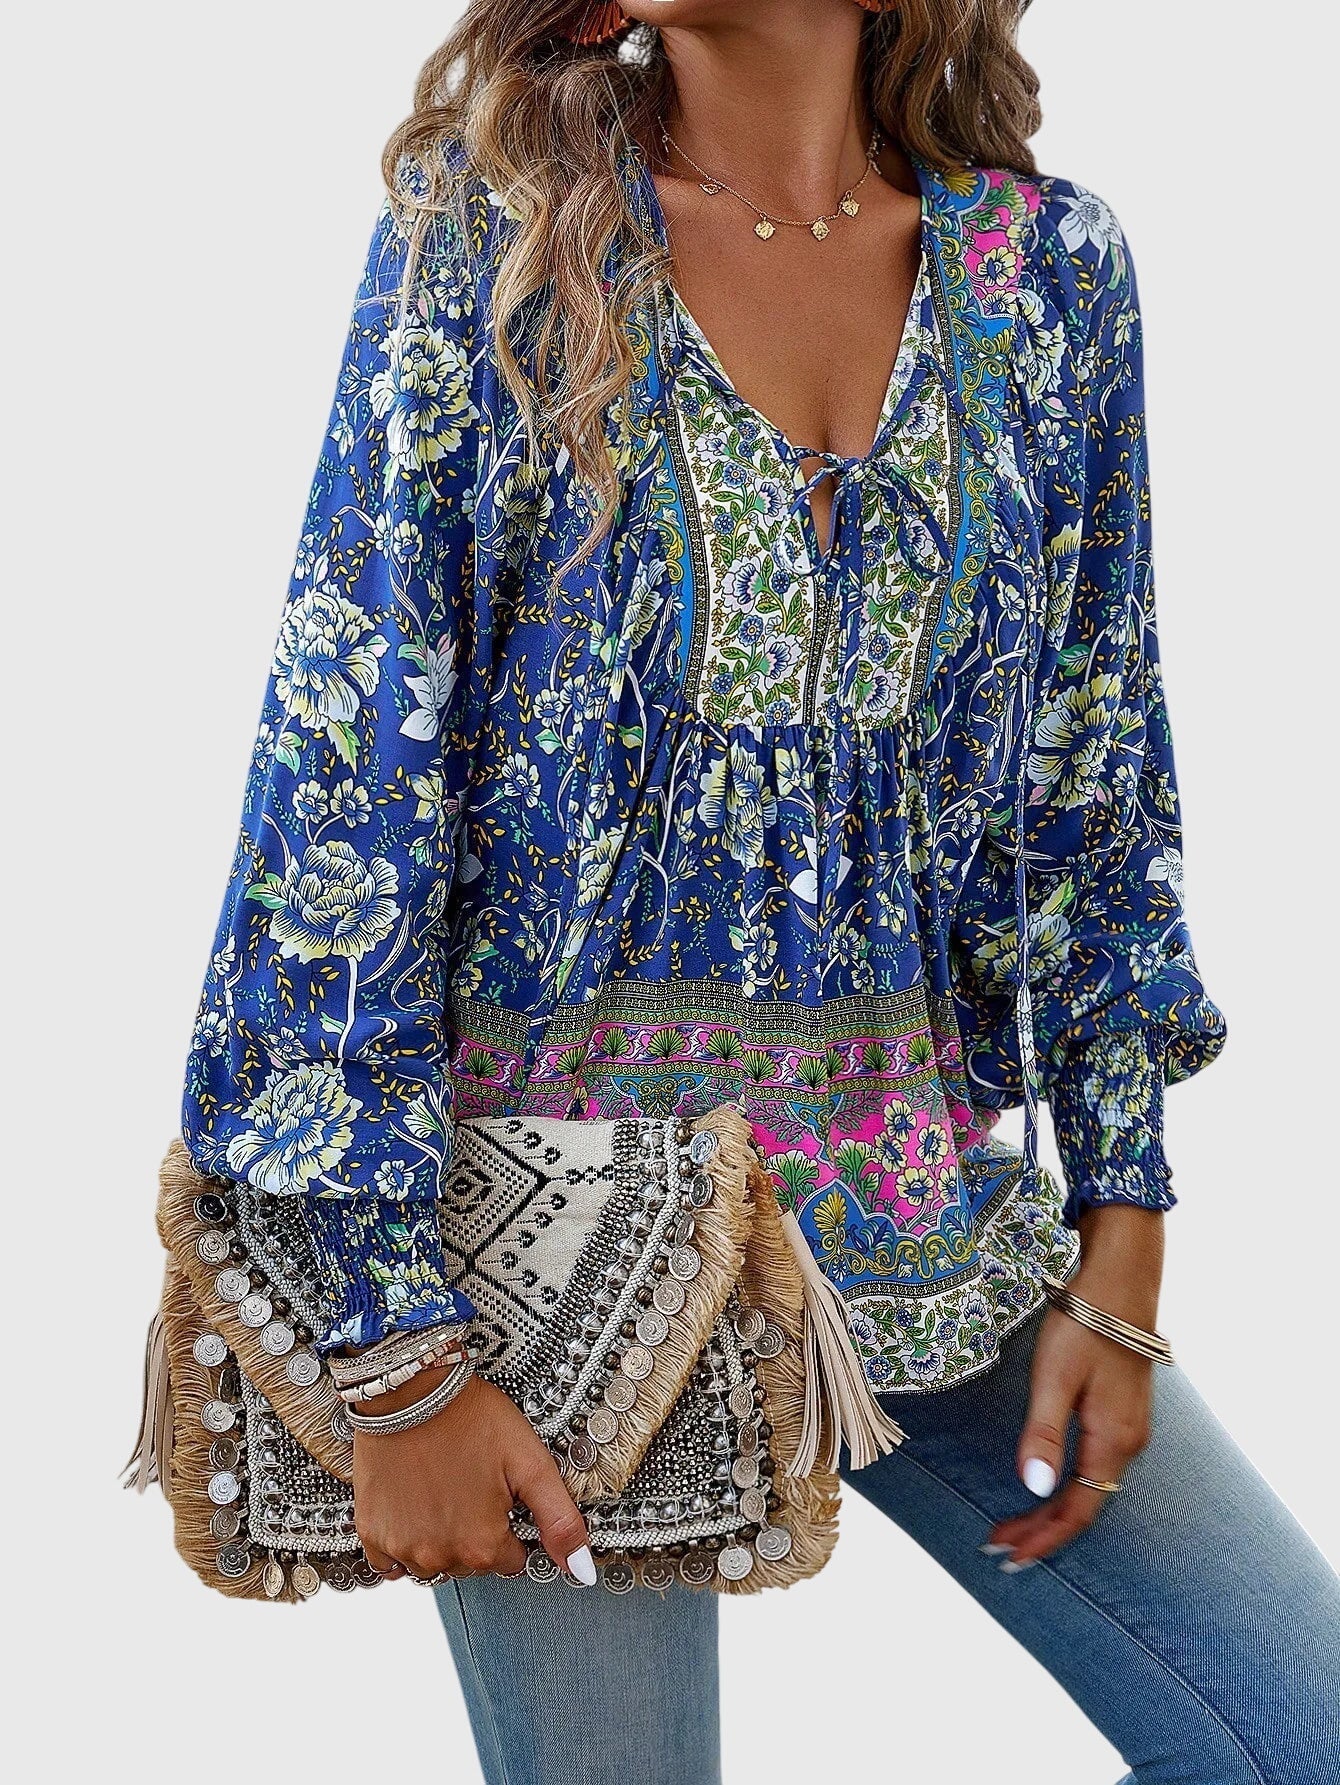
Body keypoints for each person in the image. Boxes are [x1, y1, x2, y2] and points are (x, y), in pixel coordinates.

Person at [178, 3, 1340, 1780]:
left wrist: (1122, 1237)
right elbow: (345, 777)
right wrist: (395, 1357)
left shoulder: (1045, 278)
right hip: (548, 1266)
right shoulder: (495, 246)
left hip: (915, 1203)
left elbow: (1093, 767)